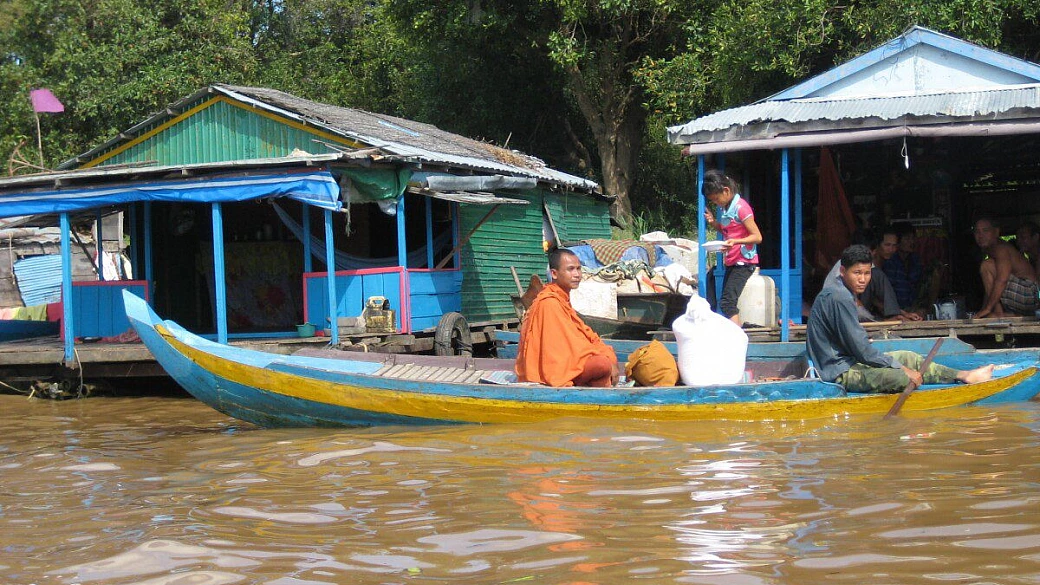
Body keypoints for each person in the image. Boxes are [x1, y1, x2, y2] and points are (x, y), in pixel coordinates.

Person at [807, 244, 993, 393]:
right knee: (902, 378)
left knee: (908, 357)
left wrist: (901, 364)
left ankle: (964, 375)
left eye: (867, 273)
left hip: (850, 360)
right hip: (839, 371)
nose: (862, 279)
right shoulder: (839, 297)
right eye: (857, 273)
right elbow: (863, 352)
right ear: (842, 271)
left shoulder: (842, 292)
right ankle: (955, 377)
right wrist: (903, 370)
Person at [515, 248, 619, 387]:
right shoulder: (549, 303)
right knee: (602, 364)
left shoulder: (562, 299)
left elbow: (583, 335)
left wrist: (607, 354)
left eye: (578, 269)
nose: (577, 274)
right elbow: (569, 349)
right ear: (554, 274)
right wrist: (605, 358)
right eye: (570, 269)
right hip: (556, 369)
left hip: (568, 361)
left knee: (606, 358)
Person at [702, 169, 762, 326]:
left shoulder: (741, 208)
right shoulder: (726, 209)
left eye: (716, 199)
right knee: (726, 302)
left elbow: (757, 237)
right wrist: (713, 222)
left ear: (726, 190)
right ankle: (737, 332)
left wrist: (735, 242)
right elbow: (727, 230)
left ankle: (738, 335)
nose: (716, 203)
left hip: (744, 263)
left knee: (727, 303)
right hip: (733, 262)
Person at [824, 229, 919, 322]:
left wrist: (902, 313)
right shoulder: (847, 267)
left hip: (854, 312)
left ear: (874, 251)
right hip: (841, 314)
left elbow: (874, 300)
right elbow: (855, 304)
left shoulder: (866, 267)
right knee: (877, 274)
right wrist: (880, 322)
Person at [974, 217, 1040, 318]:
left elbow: (1002, 280)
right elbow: (990, 286)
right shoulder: (992, 250)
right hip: (1029, 298)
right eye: (977, 232)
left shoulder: (1001, 249)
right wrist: (983, 311)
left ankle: (999, 314)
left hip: (1030, 294)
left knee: (987, 266)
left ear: (996, 232)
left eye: (985, 230)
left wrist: (988, 308)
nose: (980, 235)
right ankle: (1010, 315)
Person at [881, 224, 924, 311]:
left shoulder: (915, 260)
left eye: (913, 238)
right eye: (907, 239)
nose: (912, 242)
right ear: (898, 242)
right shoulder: (890, 261)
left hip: (912, 309)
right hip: (894, 310)